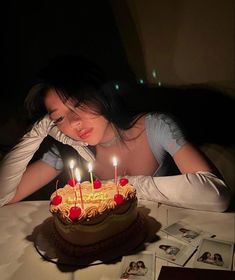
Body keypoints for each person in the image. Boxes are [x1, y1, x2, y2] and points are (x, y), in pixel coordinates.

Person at [0, 54, 232, 211]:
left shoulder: (154, 126)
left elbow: (216, 195)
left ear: (98, 95)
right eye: (59, 118)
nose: (75, 123)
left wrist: (123, 186)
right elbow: (4, 197)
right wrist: (35, 133)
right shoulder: (68, 148)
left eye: (79, 105)